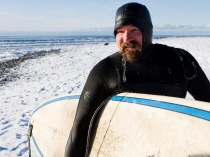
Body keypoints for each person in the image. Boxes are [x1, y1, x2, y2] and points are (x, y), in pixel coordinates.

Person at [65, 2, 210, 157]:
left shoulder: (180, 61)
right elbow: (80, 129)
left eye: (134, 30)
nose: (126, 38)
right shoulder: (105, 70)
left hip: (173, 149)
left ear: (147, 32)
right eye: (120, 32)